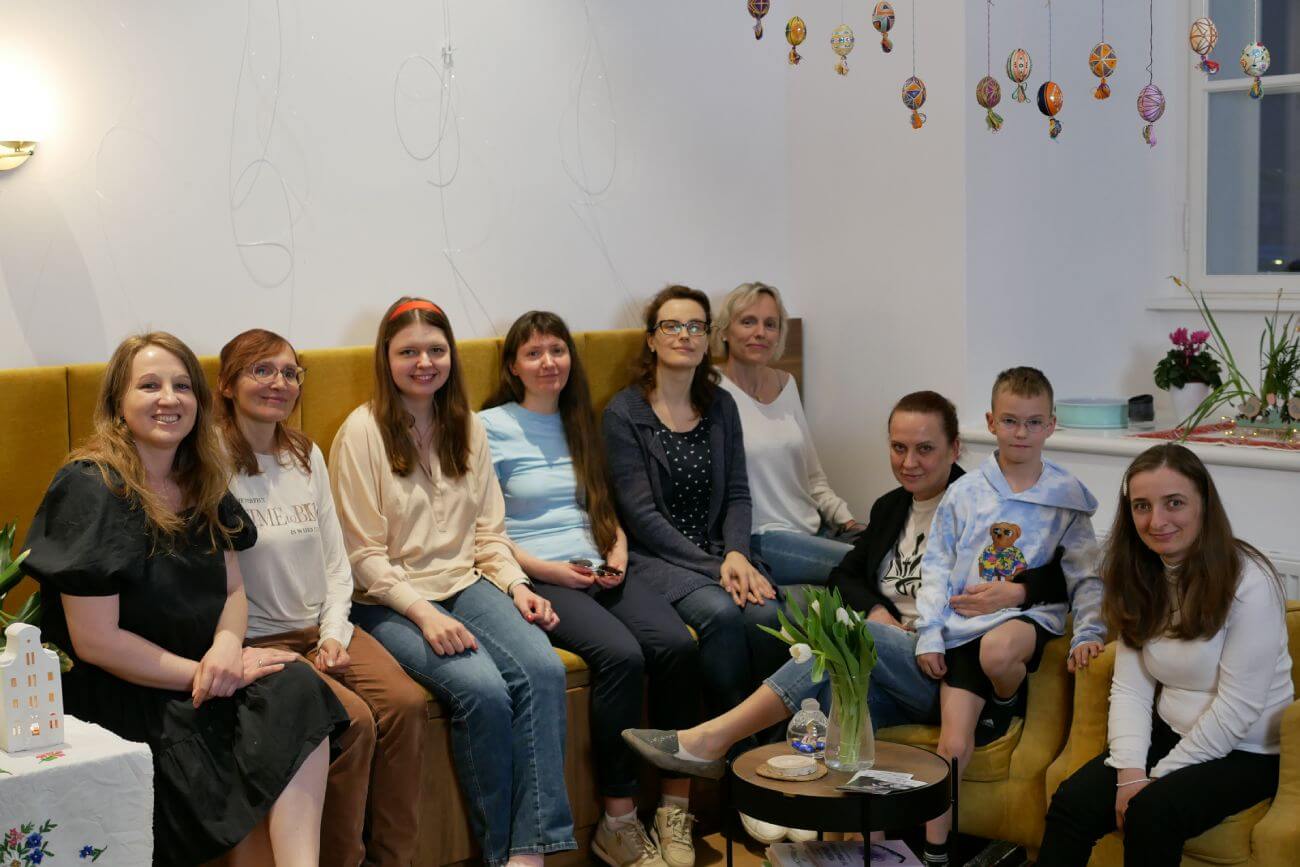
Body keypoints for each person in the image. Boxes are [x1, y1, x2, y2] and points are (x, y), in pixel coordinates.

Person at [622, 391, 1066, 843]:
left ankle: (711, 741)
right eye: (898, 447)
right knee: (844, 689)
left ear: (955, 450)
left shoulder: (985, 507)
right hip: (896, 663)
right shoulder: (892, 507)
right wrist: (878, 613)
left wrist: (1018, 590)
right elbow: (845, 575)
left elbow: (1061, 572)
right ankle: (842, 838)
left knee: (840, 640)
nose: (909, 461)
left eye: (925, 449)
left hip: (950, 670)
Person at [23, 332, 345, 867]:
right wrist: (210, 672)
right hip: (125, 690)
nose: (168, 399)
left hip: (202, 670)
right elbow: (96, 641)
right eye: (149, 385)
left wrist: (225, 647)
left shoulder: (200, 475)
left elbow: (234, 588)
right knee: (250, 720)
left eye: (180, 386)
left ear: (199, 400)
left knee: (298, 688)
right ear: (118, 404)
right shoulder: (91, 486)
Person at [328, 297, 574, 867]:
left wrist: (517, 587)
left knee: (542, 668)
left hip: (466, 582)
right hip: (387, 600)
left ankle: (530, 852)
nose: (424, 362)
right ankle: (496, 852)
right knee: (484, 692)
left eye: (435, 350)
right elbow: (362, 555)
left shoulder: (465, 425)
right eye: (408, 351)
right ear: (385, 359)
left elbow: (490, 534)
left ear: (451, 357)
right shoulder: (361, 432)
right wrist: (424, 613)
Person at [479, 311, 704, 867]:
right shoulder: (487, 426)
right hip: (534, 574)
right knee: (623, 657)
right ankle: (618, 817)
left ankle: (675, 807)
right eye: (534, 353)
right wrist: (548, 572)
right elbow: (484, 528)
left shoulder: (584, 420)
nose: (549, 362)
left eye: (557, 350)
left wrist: (619, 552)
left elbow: (605, 506)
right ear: (513, 366)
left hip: (599, 567)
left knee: (677, 646)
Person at [217, 328, 428, 867]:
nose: (279, 383)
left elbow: (337, 564)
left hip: (325, 627)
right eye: (261, 371)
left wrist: (333, 634)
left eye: (290, 373)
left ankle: (395, 859)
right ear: (226, 384)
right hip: (260, 639)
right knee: (351, 720)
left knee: (406, 706)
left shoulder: (304, 453)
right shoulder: (210, 462)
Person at [1037, 444, 1293, 866]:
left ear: (1204, 504)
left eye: (1174, 503)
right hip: (1170, 732)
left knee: (1152, 813)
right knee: (1071, 802)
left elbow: (1238, 707)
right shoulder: (1139, 574)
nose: (1156, 521)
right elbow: (1132, 689)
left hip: (1247, 751)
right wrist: (1129, 772)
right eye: (1142, 506)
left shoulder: (1250, 580)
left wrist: (1155, 780)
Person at [911, 366, 1106, 866]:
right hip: (961, 628)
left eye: (1033, 422)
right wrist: (929, 633)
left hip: (1026, 621)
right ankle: (935, 852)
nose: (1022, 433)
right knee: (953, 744)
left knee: (998, 650)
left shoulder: (1067, 496)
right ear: (991, 421)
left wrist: (1089, 629)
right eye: (1011, 421)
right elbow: (935, 565)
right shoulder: (965, 492)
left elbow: (1084, 574)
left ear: (1051, 426)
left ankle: (1006, 695)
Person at [604, 286, 791, 713]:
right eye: (671, 326)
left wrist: (738, 554)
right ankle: (727, 741)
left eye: (695, 326)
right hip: (658, 560)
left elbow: (739, 495)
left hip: (722, 554)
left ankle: (769, 739)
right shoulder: (624, 414)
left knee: (765, 613)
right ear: (652, 339)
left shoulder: (721, 405)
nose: (683, 335)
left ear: (708, 339)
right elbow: (641, 516)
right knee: (721, 614)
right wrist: (719, 567)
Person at [714, 282, 861, 586]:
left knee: (889, 551)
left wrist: (846, 519)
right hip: (759, 538)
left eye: (770, 324)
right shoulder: (709, 389)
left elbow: (812, 475)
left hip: (811, 531)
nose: (760, 332)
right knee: (871, 566)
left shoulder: (786, 383)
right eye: (748, 322)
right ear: (725, 331)